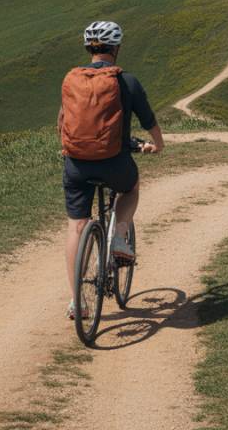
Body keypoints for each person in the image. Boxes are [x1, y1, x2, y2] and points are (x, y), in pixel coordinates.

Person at [57, 20, 164, 320]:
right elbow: (148, 120)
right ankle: (118, 236)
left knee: (76, 226)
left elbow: (63, 121)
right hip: (115, 163)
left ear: (88, 48)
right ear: (116, 48)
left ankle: (77, 301)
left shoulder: (72, 80)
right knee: (131, 188)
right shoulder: (126, 81)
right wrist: (158, 144)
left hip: (76, 165)